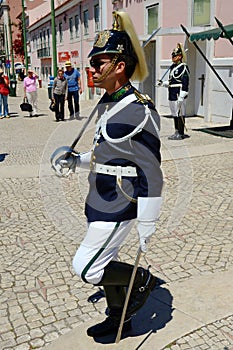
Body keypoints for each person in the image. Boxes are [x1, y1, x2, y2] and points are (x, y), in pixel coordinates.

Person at [54, 11, 163, 338]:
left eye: (100, 62)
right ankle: (121, 320)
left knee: (87, 268)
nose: (93, 68)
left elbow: (151, 171)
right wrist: (78, 161)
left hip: (120, 202)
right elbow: (108, 154)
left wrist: (147, 221)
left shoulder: (138, 108)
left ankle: (140, 279)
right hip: (99, 198)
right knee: (103, 262)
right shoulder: (109, 103)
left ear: (119, 66)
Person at [158, 43, 190, 140]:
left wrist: (182, 95)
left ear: (180, 56)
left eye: (175, 56)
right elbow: (172, 81)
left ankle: (180, 132)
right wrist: (163, 83)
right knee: (174, 113)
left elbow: (185, 82)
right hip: (172, 92)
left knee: (180, 112)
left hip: (178, 92)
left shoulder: (183, 67)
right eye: (172, 56)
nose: (173, 57)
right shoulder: (172, 67)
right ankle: (176, 131)